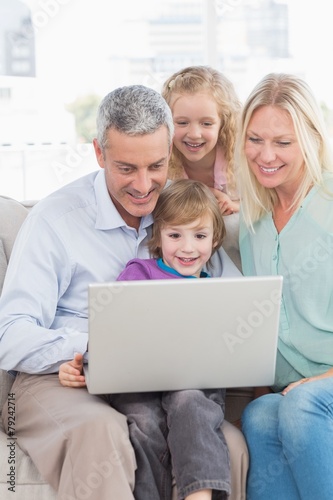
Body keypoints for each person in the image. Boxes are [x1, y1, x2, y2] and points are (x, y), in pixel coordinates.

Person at [0, 84, 246, 499]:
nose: (144, 185)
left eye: (156, 165)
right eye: (126, 168)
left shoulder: (181, 214)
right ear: (99, 153)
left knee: (232, 447)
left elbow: (234, 302)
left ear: (170, 151)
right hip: (63, 376)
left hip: (164, 379)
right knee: (103, 435)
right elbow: (11, 333)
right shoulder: (56, 220)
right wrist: (97, 348)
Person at [60, 178, 230, 500]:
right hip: (138, 382)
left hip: (192, 380)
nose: (188, 247)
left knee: (191, 402)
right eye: (175, 235)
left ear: (215, 238)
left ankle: (200, 495)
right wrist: (86, 365)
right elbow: (110, 329)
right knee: (143, 421)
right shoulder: (139, 272)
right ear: (158, 235)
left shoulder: (218, 290)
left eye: (200, 235)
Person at [238, 73, 333, 499]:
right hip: (292, 387)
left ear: (312, 139)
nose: (266, 155)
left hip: (321, 387)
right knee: (259, 413)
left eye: (283, 142)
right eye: (255, 139)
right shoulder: (253, 217)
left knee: (299, 406)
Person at [161, 65, 241, 216]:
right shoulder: (161, 165)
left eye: (206, 124)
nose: (194, 134)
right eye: (182, 123)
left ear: (223, 123)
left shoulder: (240, 161)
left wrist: (234, 205)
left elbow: (267, 204)